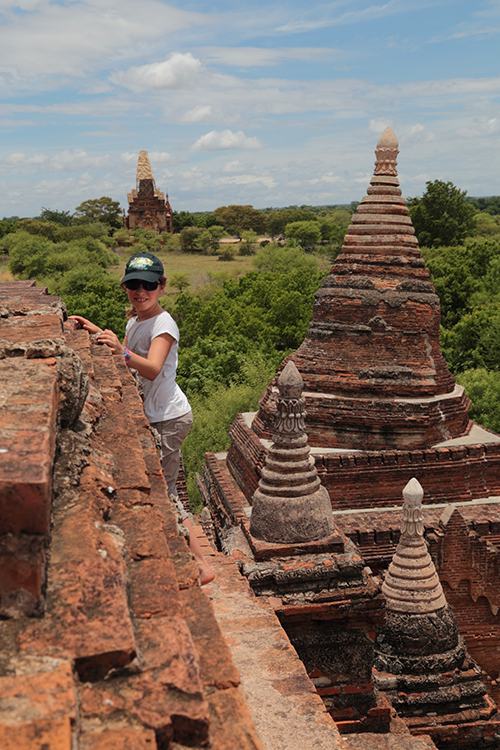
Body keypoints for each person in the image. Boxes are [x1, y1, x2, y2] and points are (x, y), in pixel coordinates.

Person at [69, 251, 215, 586]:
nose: (140, 291)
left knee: (165, 494)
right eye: (133, 285)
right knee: (160, 488)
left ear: (161, 287)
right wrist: (97, 333)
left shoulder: (164, 324)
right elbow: (125, 357)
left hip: (169, 417)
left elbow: (150, 368)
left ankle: (201, 566)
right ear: (125, 287)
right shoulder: (135, 319)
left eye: (148, 285)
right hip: (154, 414)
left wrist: (120, 351)